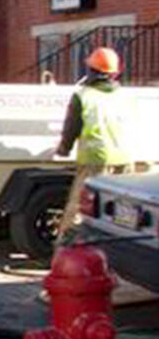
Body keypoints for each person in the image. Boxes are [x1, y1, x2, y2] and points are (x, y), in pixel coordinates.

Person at [55, 47, 134, 243]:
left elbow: (71, 126)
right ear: (114, 73)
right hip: (124, 157)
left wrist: (63, 149)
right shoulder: (123, 95)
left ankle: (63, 252)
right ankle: (117, 250)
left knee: (79, 207)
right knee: (122, 211)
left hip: (95, 158)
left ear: (90, 70)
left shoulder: (83, 95)